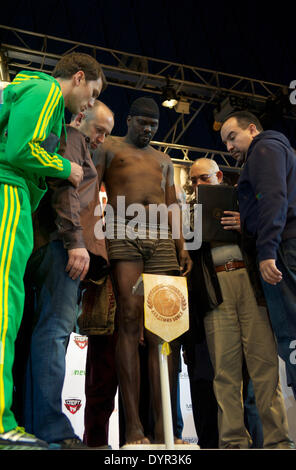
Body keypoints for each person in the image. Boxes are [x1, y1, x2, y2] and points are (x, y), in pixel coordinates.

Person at [0, 51, 105, 450]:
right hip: (11, 194)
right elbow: (20, 151)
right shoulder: (46, 90)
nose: (89, 105)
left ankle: (12, 418)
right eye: (92, 94)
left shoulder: (32, 94)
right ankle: (7, 421)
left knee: (13, 319)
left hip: (18, 199)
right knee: (6, 314)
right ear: (78, 78)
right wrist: (67, 168)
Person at [94, 96, 192, 445]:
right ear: (129, 119)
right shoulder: (108, 147)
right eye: (142, 123)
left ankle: (166, 427)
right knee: (129, 321)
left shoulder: (164, 160)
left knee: (164, 329)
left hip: (162, 238)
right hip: (122, 229)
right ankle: (134, 427)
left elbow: (172, 204)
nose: (148, 129)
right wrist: (94, 238)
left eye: (153, 125)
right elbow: (91, 190)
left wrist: (182, 245)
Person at [21, 101, 114, 450]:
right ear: (79, 118)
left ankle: (27, 422)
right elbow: (65, 190)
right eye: (99, 130)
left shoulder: (51, 135)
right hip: (60, 247)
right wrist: (76, 243)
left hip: (38, 243)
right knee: (54, 334)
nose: (101, 139)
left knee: (32, 335)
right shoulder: (73, 137)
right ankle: (52, 428)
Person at [185, 157, 292, 449]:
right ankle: (233, 442)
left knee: (265, 370)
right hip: (215, 292)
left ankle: (277, 441)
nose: (197, 185)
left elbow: (274, 231)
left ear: (219, 175)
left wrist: (246, 225)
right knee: (224, 373)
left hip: (252, 288)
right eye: (193, 181)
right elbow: (186, 254)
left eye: (203, 179)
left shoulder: (245, 200)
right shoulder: (189, 212)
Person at [220, 111, 296, 401]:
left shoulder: (264, 148)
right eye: (224, 142)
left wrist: (266, 252)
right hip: (285, 246)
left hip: (281, 251)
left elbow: (274, 198)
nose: (228, 147)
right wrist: (250, 221)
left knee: (291, 335)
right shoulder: (278, 150)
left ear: (252, 129)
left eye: (232, 137)